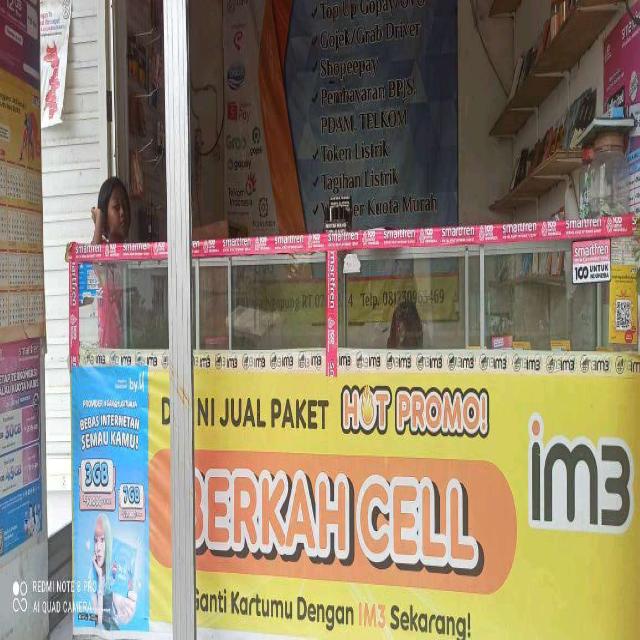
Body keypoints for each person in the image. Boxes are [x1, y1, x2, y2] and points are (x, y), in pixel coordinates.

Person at [90, 178, 131, 348]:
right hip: (108, 349)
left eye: (125, 207)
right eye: (116, 207)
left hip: (128, 345)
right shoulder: (103, 250)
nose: (122, 213)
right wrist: (99, 222)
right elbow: (94, 257)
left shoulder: (131, 251)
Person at [89, 514, 137, 629]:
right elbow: (98, 620)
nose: (98, 547)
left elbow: (122, 617)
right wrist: (100, 578)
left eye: (102, 540)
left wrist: (122, 605)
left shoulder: (117, 571)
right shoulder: (92, 574)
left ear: (109, 542)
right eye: (95, 540)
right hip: (100, 632)